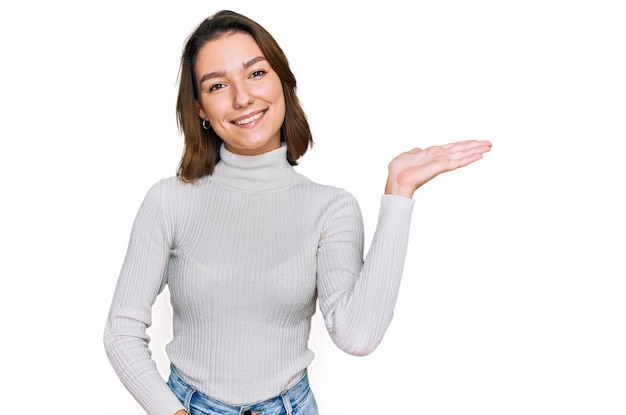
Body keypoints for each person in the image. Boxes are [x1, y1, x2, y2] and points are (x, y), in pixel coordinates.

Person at [103, 9, 491, 415]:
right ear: (200, 108)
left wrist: (399, 192)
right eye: (218, 85)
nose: (242, 97)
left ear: (283, 82)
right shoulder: (169, 201)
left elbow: (357, 335)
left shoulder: (331, 208)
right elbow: (121, 332)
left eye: (255, 73)